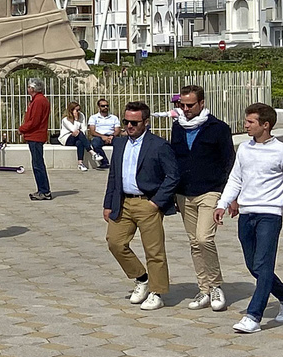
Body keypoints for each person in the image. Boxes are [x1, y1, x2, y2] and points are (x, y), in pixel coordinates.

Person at [215, 103, 283, 333]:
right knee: (253, 265)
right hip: (246, 214)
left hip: (270, 215)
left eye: (250, 122)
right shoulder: (245, 150)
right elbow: (235, 179)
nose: (245, 125)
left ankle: (253, 316)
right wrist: (222, 204)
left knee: (264, 265)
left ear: (265, 125)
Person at [102, 101, 180, 311]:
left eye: (134, 122)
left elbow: (173, 175)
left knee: (154, 250)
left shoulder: (159, 145)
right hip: (123, 201)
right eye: (126, 121)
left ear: (146, 122)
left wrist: (157, 202)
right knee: (115, 242)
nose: (129, 126)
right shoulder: (119, 144)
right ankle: (142, 278)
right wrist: (108, 203)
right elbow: (113, 176)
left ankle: (157, 292)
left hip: (148, 203)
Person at [170, 85, 236, 312]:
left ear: (201, 104)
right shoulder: (177, 128)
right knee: (194, 243)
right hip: (184, 193)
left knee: (204, 239)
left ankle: (216, 285)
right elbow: (174, 161)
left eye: (190, 105)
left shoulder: (218, 128)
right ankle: (204, 289)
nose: (185, 109)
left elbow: (230, 163)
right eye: (182, 105)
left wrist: (231, 197)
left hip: (211, 191)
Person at [20, 78, 51, 201]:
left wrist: (22, 128)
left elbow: (34, 121)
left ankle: (44, 190)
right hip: (35, 135)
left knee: (38, 164)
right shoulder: (38, 100)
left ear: (32, 88)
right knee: (37, 163)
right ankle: (42, 190)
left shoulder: (38, 101)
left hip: (35, 136)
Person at [85, 99, 119, 171]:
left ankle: (118, 163)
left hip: (111, 136)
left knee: (120, 143)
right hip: (99, 136)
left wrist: (111, 136)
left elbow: (117, 130)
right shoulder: (93, 117)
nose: (105, 107)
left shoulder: (114, 118)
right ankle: (104, 163)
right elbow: (92, 131)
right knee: (95, 143)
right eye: (103, 106)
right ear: (99, 107)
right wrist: (102, 137)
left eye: (107, 106)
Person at [57, 102, 88, 167]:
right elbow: (74, 129)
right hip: (67, 138)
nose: (78, 112)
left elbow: (84, 128)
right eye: (76, 110)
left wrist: (80, 132)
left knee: (79, 143)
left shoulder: (81, 115)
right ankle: (91, 151)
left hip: (78, 136)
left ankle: (80, 163)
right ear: (71, 110)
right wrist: (76, 119)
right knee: (78, 133)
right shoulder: (65, 120)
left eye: (79, 110)